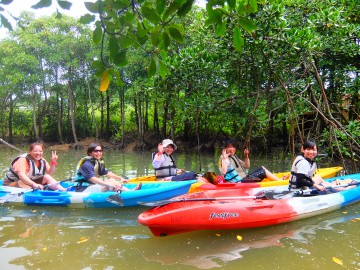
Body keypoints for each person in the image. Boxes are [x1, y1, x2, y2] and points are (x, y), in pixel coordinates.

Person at [289, 141, 357, 192]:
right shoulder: (303, 163)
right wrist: (317, 186)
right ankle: (349, 188)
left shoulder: (302, 158)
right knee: (329, 186)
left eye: (313, 150)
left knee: (318, 178)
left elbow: (304, 177)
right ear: (303, 150)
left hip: (300, 185)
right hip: (299, 189)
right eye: (308, 149)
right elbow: (300, 180)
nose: (311, 152)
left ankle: (330, 183)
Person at [75, 143, 141, 192]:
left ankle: (130, 191)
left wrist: (120, 178)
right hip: (83, 189)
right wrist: (108, 185)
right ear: (90, 153)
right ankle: (131, 192)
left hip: (92, 186)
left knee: (112, 180)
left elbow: (107, 173)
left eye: (100, 151)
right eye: (96, 151)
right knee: (110, 184)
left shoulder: (97, 162)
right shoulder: (86, 164)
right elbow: (93, 179)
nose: (99, 153)